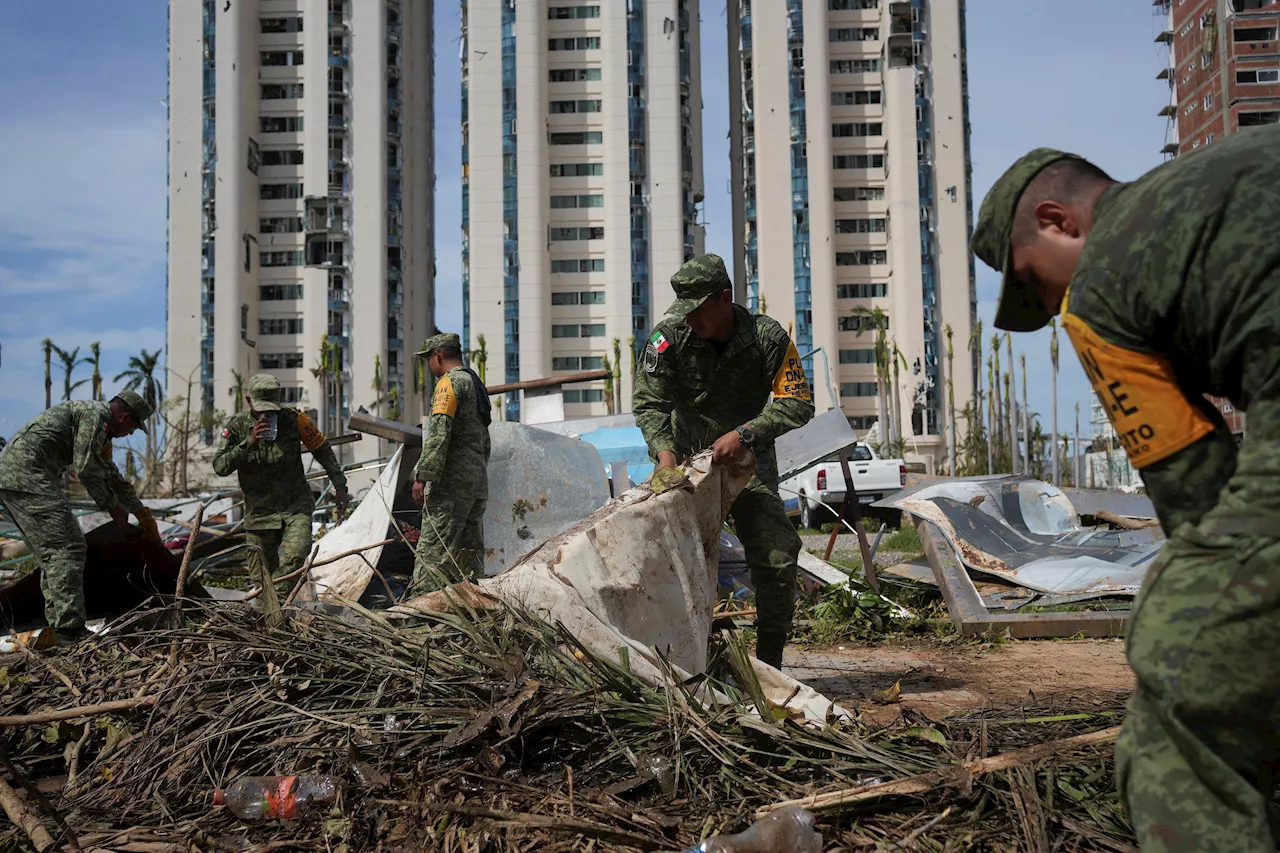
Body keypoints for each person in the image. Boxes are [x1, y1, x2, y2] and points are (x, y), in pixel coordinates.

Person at [971, 123, 1280, 853]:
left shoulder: (1099, 281)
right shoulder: (1241, 161)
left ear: (1059, 222)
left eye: (1032, 282)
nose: (1049, 309)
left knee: (1176, 688)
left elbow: (1196, 492)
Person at [633, 253, 814, 669]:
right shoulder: (668, 338)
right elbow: (649, 403)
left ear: (724, 299)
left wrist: (746, 434)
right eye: (684, 311)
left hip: (746, 464)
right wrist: (664, 456)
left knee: (777, 557)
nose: (690, 319)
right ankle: (678, 661)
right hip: (681, 467)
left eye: (698, 310)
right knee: (671, 563)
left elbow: (799, 402)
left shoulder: (767, 339)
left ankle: (769, 666)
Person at [0, 391, 160, 641]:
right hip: (26, 476)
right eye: (133, 426)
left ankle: (59, 626)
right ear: (125, 416)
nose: (131, 433)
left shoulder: (101, 431)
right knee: (68, 546)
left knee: (52, 552)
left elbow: (108, 472)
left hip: (17, 477)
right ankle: (69, 630)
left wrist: (138, 509)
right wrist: (112, 505)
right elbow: (86, 468)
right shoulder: (96, 415)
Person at [213, 373, 349, 624]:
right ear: (248, 401)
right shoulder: (236, 426)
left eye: (271, 409)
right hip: (259, 515)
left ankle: (269, 615)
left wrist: (339, 484)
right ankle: (273, 627)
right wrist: (249, 442)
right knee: (261, 578)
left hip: (294, 507)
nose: (267, 415)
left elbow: (323, 450)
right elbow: (220, 466)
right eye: (261, 409)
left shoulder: (296, 420)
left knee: (295, 556)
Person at [410, 333, 492, 592]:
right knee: (469, 561)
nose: (430, 366)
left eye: (429, 360)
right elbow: (485, 440)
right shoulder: (476, 384)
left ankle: (418, 621)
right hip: (476, 484)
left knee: (432, 557)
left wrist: (422, 476)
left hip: (450, 488)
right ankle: (475, 617)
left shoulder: (449, 383)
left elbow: (438, 433)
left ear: (438, 356)